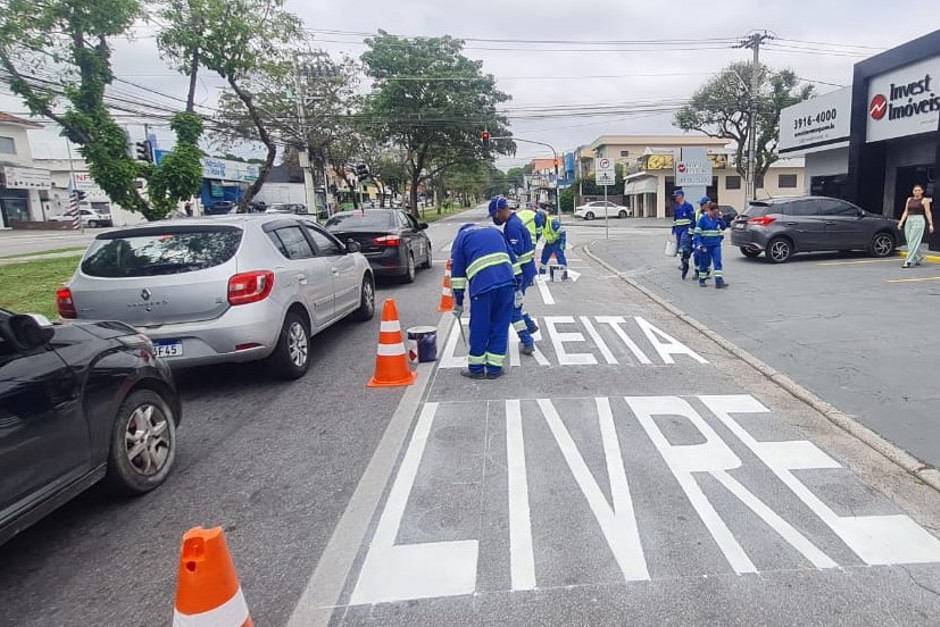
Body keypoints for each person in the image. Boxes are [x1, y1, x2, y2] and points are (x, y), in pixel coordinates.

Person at [450, 224, 517, 380]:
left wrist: (458, 301)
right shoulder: (495, 232)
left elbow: (457, 274)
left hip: (483, 287)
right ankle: (494, 368)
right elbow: (513, 260)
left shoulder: (461, 238)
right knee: (500, 326)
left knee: (479, 326)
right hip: (507, 284)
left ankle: (476, 368)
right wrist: (518, 286)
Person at [490, 196, 538, 355]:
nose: (494, 219)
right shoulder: (513, 222)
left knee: (511, 308)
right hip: (525, 270)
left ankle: (527, 341)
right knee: (516, 302)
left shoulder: (512, 227)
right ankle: (529, 325)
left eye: (494, 215)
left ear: (500, 211)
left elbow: (515, 253)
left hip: (521, 272)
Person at [898, 184, 934, 268]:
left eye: (919, 190)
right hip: (909, 220)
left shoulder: (924, 200)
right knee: (909, 241)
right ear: (913, 191)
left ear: (922, 191)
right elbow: (905, 211)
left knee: (913, 241)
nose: (917, 192)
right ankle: (918, 257)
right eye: (915, 190)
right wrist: (901, 222)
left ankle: (908, 261)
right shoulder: (909, 199)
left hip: (918, 220)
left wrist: (930, 224)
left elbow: (928, 212)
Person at [693, 201, 729, 288]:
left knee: (717, 261)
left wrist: (720, 219)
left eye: (716, 212)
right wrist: (699, 244)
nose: (714, 214)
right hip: (705, 245)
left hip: (715, 245)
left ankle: (719, 281)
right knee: (704, 263)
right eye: (713, 212)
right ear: (708, 210)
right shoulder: (702, 220)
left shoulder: (717, 219)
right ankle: (702, 279)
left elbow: (724, 227)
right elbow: (697, 234)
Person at [671, 190, 695, 280]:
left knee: (684, 246)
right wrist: (674, 228)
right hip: (678, 230)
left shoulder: (688, 206)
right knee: (679, 248)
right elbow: (675, 219)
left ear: (681, 196)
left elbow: (692, 219)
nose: (675, 197)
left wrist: (691, 229)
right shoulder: (676, 207)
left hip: (686, 229)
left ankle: (685, 260)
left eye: (676, 196)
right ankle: (683, 261)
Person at [539, 214, 568, 279]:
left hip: (557, 241)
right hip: (549, 242)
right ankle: (542, 271)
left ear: (544, 219)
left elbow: (562, 231)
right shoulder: (540, 225)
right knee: (544, 256)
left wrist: (562, 242)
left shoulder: (552, 222)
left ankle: (564, 273)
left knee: (560, 256)